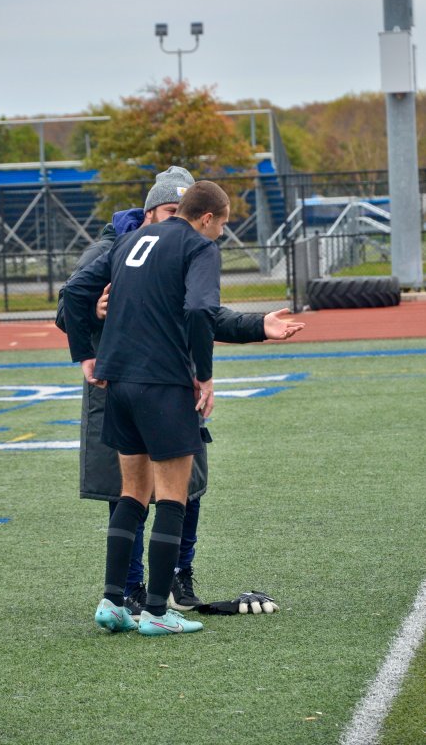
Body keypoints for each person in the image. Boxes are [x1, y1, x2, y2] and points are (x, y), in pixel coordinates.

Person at [56, 166, 303, 620]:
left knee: (162, 491)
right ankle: (145, 600)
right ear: (154, 211)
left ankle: (146, 590)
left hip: (128, 381)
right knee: (155, 493)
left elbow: (202, 312)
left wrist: (257, 325)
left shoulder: (135, 244)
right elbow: (73, 302)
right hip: (160, 383)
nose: (180, 219)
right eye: (172, 210)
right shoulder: (135, 243)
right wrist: (93, 326)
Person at [64, 179, 230, 635]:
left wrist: (86, 354)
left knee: (133, 493)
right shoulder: (198, 247)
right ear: (207, 217)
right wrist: (204, 372)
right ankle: (157, 611)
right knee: (172, 497)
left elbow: (75, 292)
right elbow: (199, 310)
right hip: (164, 383)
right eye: (222, 226)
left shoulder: (130, 240)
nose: (220, 236)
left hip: (119, 383)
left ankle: (113, 602)